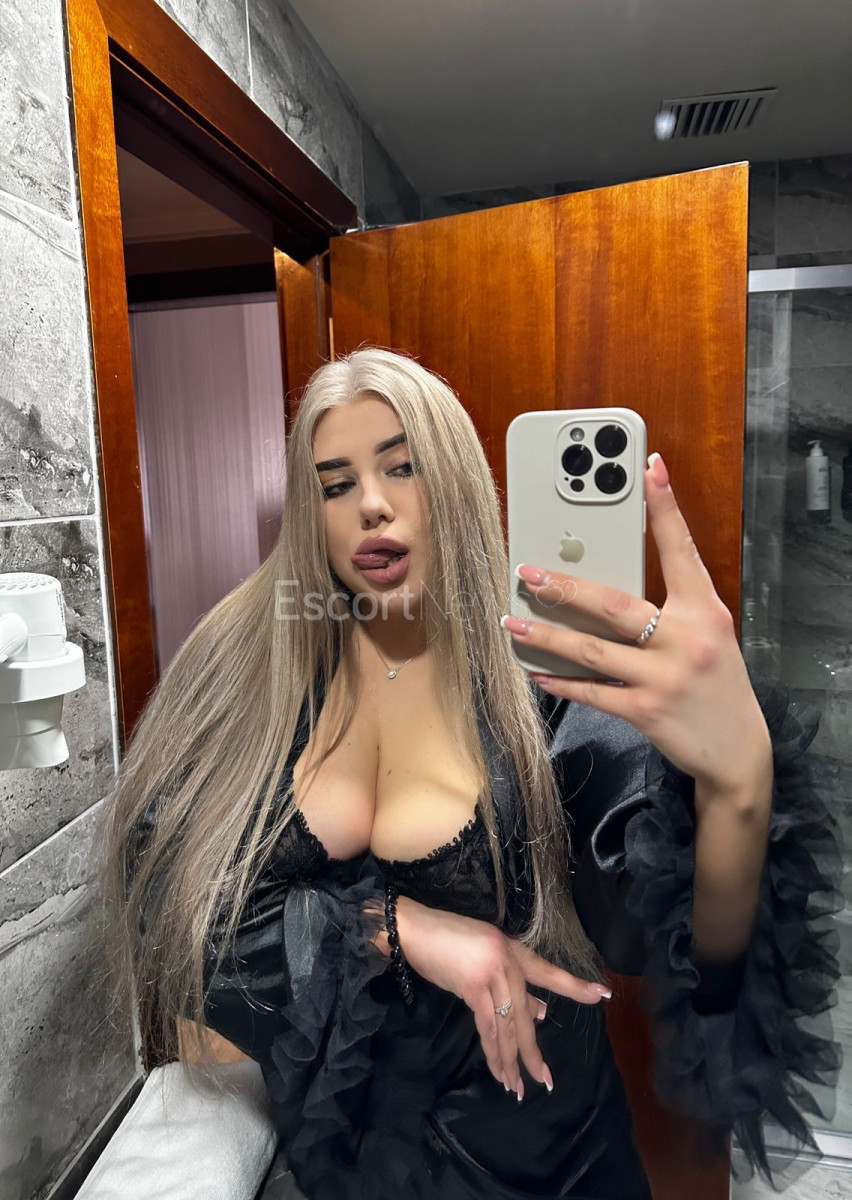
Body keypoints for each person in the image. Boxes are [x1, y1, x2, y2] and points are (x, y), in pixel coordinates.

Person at [97, 347, 843, 1200]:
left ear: (452, 482)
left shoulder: (546, 695)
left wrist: (740, 785)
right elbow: (170, 901)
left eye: (402, 467)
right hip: (351, 1169)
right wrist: (396, 926)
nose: (371, 504)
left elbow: (684, 951)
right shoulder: (249, 671)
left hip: (552, 1166)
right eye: (336, 484)